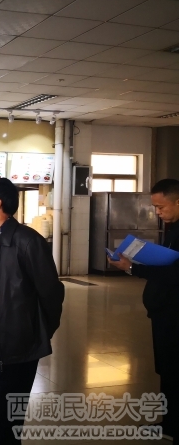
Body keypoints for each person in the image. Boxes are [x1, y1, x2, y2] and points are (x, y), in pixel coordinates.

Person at [0, 177, 64, 444]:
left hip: (16, 343)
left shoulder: (27, 241)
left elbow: (51, 293)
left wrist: (32, 333)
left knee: (7, 421)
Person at [108, 178, 179, 442]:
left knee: (174, 369)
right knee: (167, 370)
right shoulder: (173, 229)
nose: (157, 213)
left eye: (161, 207)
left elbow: (173, 274)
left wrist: (131, 267)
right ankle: (170, 423)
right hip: (163, 310)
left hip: (174, 313)